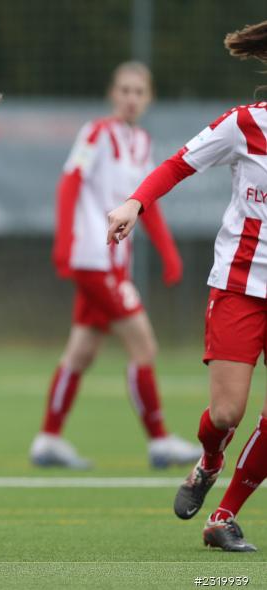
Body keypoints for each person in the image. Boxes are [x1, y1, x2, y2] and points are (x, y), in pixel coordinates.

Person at [107, 20, 267, 552]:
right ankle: (209, 461)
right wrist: (135, 203)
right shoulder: (245, 123)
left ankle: (223, 516)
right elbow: (178, 164)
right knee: (226, 414)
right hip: (240, 287)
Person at [30, 62, 201, 470]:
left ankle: (48, 439)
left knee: (81, 351)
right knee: (144, 345)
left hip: (115, 263)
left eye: (138, 92)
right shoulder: (96, 132)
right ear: (112, 93)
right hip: (93, 258)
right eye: (124, 90)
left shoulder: (142, 142)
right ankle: (159, 441)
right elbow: (70, 183)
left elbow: (144, 202)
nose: (130, 98)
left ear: (149, 98)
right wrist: (64, 243)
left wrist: (168, 252)